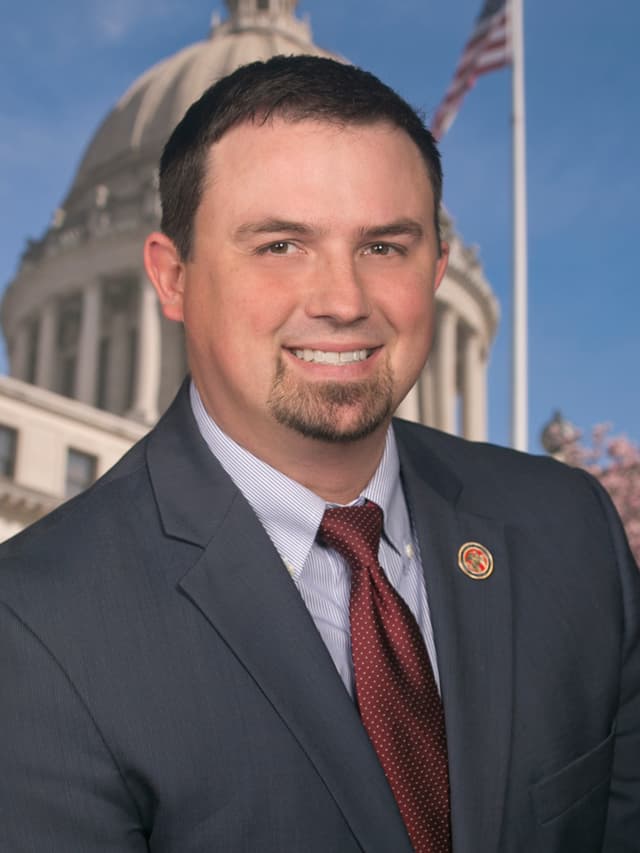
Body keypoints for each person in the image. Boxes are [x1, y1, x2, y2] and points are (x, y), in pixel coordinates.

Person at [1, 55, 638, 853]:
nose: (341, 301)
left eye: (383, 246)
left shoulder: (568, 531)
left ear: (437, 271)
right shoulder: (31, 626)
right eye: (279, 244)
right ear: (171, 278)